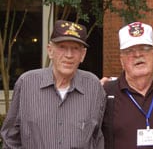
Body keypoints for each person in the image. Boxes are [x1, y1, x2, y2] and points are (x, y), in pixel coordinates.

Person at [1, 20, 106, 148]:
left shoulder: (93, 87)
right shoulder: (26, 83)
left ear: (82, 55)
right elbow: (10, 138)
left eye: (75, 48)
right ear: (50, 51)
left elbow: (97, 138)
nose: (69, 55)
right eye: (62, 47)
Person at [102, 22, 153, 149]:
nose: (137, 55)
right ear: (121, 60)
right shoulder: (106, 93)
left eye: (144, 48)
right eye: (130, 51)